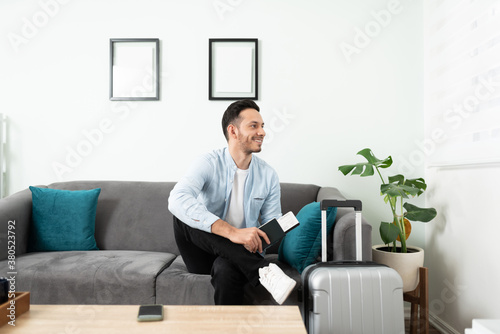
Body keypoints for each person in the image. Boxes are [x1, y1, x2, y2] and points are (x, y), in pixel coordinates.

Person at [168, 99, 296, 305]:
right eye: (254, 126)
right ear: (233, 131)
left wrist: (268, 233)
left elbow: (274, 219)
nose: (262, 132)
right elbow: (177, 199)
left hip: (243, 255)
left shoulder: (268, 175)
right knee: (182, 216)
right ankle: (263, 270)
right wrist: (234, 233)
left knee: (225, 268)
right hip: (202, 253)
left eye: (262, 126)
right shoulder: (208, 163)